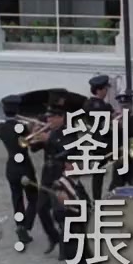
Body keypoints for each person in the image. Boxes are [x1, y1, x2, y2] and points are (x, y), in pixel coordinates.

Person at [0, 94, 44, 245]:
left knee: (17, 199)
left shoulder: (0, 128)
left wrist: (29, 128)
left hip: (11, 168)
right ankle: (25, 226)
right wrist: (35, 128)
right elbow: (32, 144)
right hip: (25, 167)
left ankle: (20, 225)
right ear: (17, 110)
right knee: (34, 198)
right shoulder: (22, 128)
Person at [34, 94, 73, 255]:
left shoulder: (68, 131)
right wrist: (35, 134)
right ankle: (53, 237)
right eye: (48, 117)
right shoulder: (48, 131)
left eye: (52, 118)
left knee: (60, 212)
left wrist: (49, 139)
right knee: (41, 209)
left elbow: (67, 150)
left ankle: (65, 245)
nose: (48, 120)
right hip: (47, 173)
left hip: (61, 174)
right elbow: (33, 149)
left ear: (60, 118)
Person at [84, 74, 115, 199]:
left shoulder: (88, 104)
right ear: (99, 90)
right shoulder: (102, 106)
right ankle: (102, 197)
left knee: (99, 173)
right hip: (104, 142)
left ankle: (97, 198)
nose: (106, 92)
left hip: (98, 141)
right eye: (105, 89)